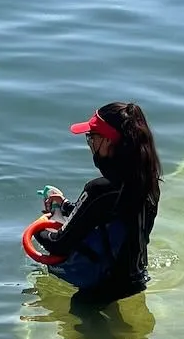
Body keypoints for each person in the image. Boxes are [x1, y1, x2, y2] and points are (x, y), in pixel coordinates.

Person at [36, 101, 161, 307]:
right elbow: (105, 216)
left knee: (79, 313)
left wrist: (38, 228)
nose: (90, 144)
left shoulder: (100, 189)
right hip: (136, 278)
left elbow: (59, 244)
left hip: (102, 285)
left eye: (92, 137)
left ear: (109, 141)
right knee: (124, 335)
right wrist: (65, 204)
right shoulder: (148, 183)